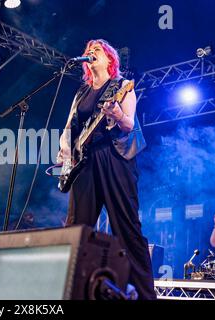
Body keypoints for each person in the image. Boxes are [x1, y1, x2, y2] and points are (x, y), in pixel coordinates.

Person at [57, 39, 156, 299]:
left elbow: (128, 124)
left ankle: (144, 295)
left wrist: (115, 114)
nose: (90, 53)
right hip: (85, 163)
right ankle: (73, 291)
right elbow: (69, 127)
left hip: (115, 158)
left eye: (97, 50)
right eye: (88, 51)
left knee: (126, 227)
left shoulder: (123, 86)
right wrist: (66, 149)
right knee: (77, 228)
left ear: (110, 59)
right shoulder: (81, 92)